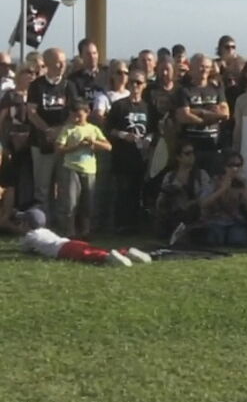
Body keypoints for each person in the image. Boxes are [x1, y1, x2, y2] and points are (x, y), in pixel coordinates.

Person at [27, 47, 79, 217]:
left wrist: (60, 131)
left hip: (64, 143)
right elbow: (32, 113)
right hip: (41, 142)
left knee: (65, 184)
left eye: (64, 62)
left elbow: (75, 112)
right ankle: (42, 221)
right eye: (58, 62)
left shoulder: (69, 85)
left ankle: (64, 222)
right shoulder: (37, 86)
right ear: (47, 63)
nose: (62, 65)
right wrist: (48, 130)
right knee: (42, 187)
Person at [15, 207, 150, 267]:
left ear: (27, 224)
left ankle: (108, 257)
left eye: (22, 222)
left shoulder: (30, 236)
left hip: (62, 250)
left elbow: (24, 248)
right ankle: (126, 252)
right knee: (90, 248)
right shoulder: (45, 230)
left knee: (86, 255)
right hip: (68, 242)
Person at [107, 70, 156, 234]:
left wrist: (148, 139)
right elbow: (108, 129)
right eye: (132, 82)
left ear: (145, 86)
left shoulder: (149, 107)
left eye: (139, 83)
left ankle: (136, 225)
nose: (135, 86)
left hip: (141, 157)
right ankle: (121, 225)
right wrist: (123, 135)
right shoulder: (119, 106)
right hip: (122, 156)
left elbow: (154, 129)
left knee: (138, 192)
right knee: (123, 193)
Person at [55, 99, 112, 238]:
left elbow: (108, 146)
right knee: (71, 201)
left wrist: (94, 142)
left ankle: (86, 231)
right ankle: (70, 231)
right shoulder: (68, 129)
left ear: (87, 113)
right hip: (71, 167)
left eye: (79, 115)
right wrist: (76, 146)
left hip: (89, 169)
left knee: (88, 202)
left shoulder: (93, 129)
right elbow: (58, 148)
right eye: (74, 115)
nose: (76, 118)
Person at [175, 53, 230, 174]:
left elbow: (225, 113)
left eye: (206, 67)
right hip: (192, 148)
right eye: (200, 66)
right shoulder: (184, 90)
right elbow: (183, 116)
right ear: (191, 68)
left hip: (213, 147)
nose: (204, 70)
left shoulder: (217, 89)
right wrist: (208, 117)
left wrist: (195, 112)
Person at [155, 140, 212, 241]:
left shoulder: (201, 175)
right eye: (187, 153)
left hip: (195, 219)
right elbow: (160, 202)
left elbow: (205, 198)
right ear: (178, 157)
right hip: (173, 219)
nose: (192, 156)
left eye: (193, 153)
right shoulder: (170, 176)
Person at [0, 64, 36, 221]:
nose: (30, 76)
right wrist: (3, 144)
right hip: (13, 142)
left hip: (33, 142)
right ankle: (7, 216)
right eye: (27, 72)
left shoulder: (36, 95)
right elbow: (2, 120)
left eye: (33, 73)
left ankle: (28, 215)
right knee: (12, 180)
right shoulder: (11, 96)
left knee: (30, 179)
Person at [198, 150, 247, 247]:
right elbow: (203, 204)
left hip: (236, 222)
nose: (235, 169)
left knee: (237, 240)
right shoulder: (213, 181)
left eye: (238, 165)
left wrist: (244, 192)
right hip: (216, 221)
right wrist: (222, 189)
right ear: (223, 166)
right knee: (214, 240)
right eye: (231, 165)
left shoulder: (245, 183)